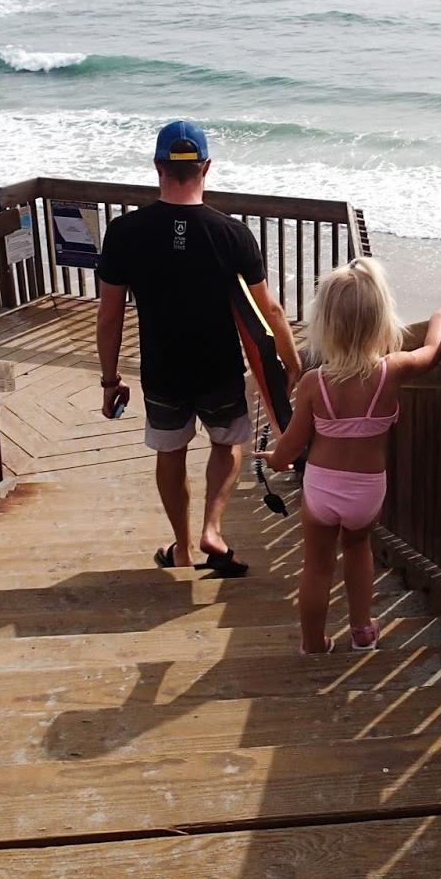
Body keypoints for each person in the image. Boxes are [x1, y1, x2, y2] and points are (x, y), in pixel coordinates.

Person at [97, 120, 301, 577]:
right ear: (206, 167)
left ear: (158, 167)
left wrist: (110, 381)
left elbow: (109, 316)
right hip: (220, 371)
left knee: (170, 453)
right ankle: (212, 529)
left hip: (162, 373)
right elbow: (270, 311)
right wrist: (290, 364)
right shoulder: (232, 234)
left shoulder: (125, 233)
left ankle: (183, 548)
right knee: (228, 443)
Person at [259, 259, 441, 654]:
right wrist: (440, 315)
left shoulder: (316, 383)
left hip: (322, 489)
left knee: (316, 566)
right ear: (381, 319)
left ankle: (314, 642)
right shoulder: (392, 370)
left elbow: (293, 445)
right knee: (357, 549)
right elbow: (431, 352)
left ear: (325, 326)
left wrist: (276, 461)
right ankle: (362, 630)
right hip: (367, 490)